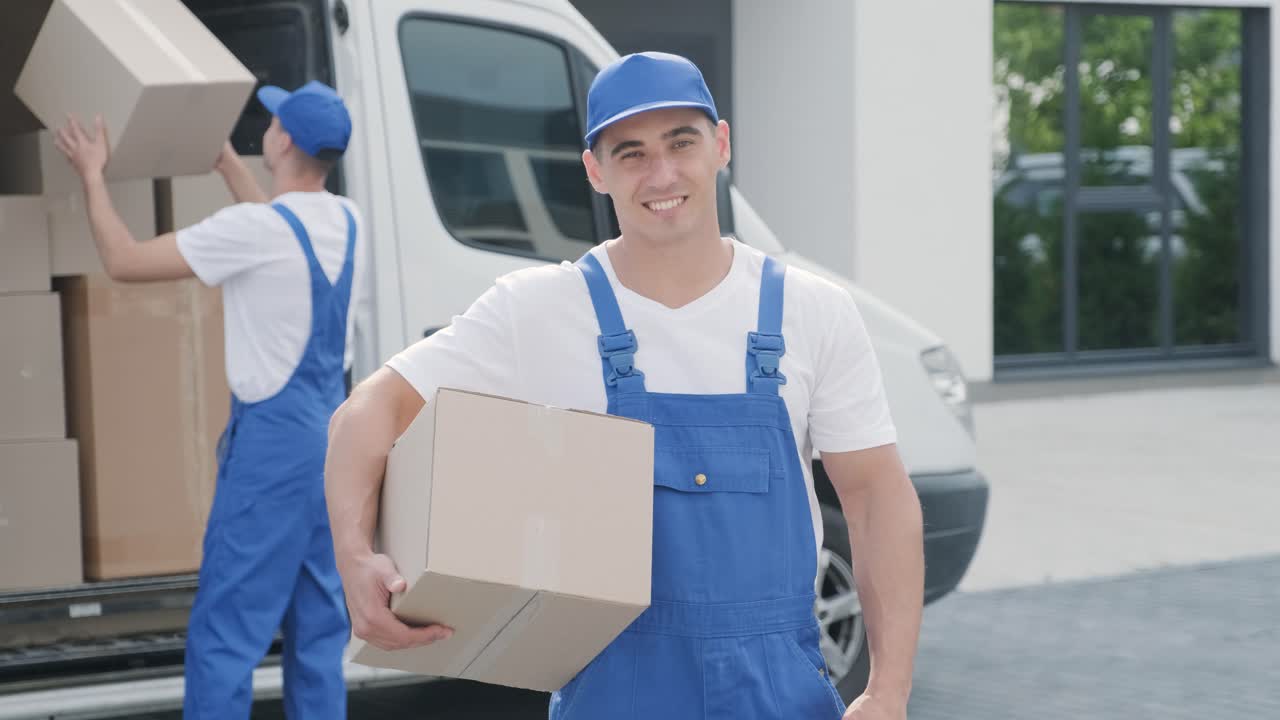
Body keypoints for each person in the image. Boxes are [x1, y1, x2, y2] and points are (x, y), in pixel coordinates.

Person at [324, 52, 922, 720]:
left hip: (780, 696)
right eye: (631, 153)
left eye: (681, 143)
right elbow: (367, 411)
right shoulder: (540, 310)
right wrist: (354, 556)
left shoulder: (812, 312)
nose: (661, 173)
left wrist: (888, 690)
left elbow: (876, 498)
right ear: (595, 171)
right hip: (611, 696)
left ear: (720, 146)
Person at [55, 79, 364, 719]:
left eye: (273, 123)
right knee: (318, 638)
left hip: (270, 456)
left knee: (225, 640)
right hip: (331, 453)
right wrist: (225, 162)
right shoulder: (346, 220)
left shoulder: (255, 231)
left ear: (281, 140)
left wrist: (92, 175)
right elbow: (278, 229)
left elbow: (124, 261)